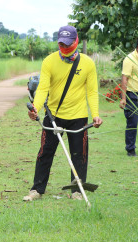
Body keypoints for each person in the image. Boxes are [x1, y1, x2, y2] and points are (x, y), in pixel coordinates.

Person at [24, 25, 103, 201]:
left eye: (68, 44)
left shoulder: (88, 63)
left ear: (76, 41)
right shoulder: (49, 61)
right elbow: (43, 89)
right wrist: (36, 107)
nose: (65, 47)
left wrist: (95, 114)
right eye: (62, 44)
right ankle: (37, 189)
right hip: (53, 115)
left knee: (79, 154)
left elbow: (91, 91)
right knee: (45, 152)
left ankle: (77, 190)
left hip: (78, 116)